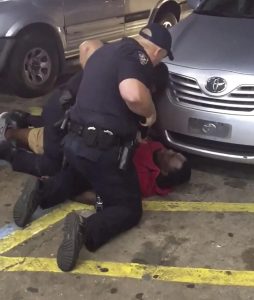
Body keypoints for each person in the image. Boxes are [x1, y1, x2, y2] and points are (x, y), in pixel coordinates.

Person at [12, 23, 174, 272]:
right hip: (104, 149)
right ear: (158, 52)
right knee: (128, 208)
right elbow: (132, 94)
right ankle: (86, 228)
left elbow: (86, 49)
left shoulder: (107, 51)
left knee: (81, 176)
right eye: (161, 57)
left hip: (73, 142)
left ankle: (42, 190)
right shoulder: (138, 57)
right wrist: (149, 112)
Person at [0, 40, 103, 177]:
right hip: (60, 111)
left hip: (61, 107)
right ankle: (8, 149)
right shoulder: (109, 76)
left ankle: (21, 118)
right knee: (53, 166)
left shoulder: (107, 68)